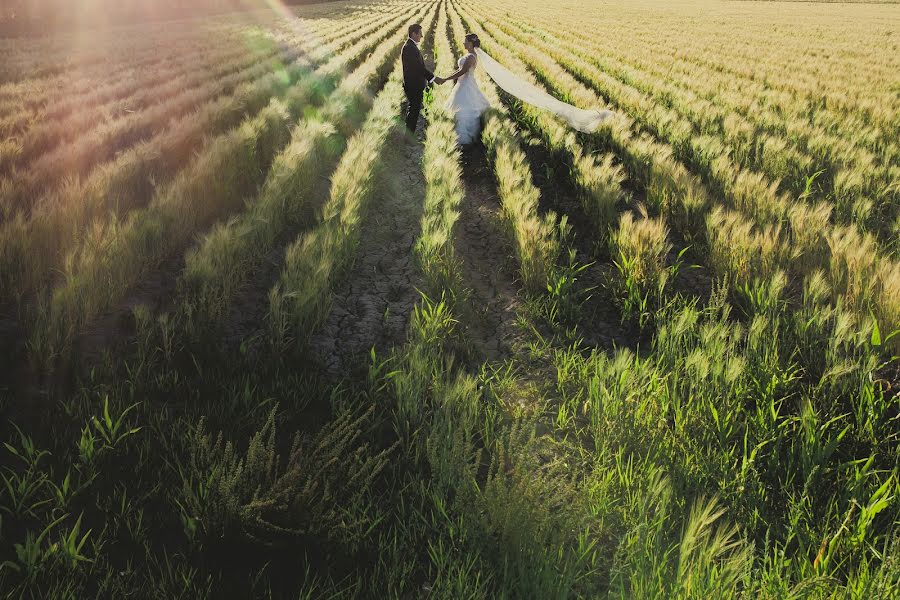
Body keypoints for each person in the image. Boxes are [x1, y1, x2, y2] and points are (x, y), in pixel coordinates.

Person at [438, 33, 491, 145]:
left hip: (466, 84)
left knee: (464, 109)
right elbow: (460, 71)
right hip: (462, 84)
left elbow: (462, 71)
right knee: (460, 107)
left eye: (465, 41)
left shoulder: (471, 57)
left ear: (471, 43)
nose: (463, 43)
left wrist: (446, 79)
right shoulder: (469, 55)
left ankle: (464, 138)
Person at [401, 23, 436, 135]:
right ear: (413, 33)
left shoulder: (411, 46)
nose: (422, 36)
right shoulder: (410, 48)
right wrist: (433, 78)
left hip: (413, 84)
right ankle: (409, 137)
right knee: (414, 110)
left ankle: (409, 135)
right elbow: (419, 68)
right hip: (413, 85)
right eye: (420, 33)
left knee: (414, 109)